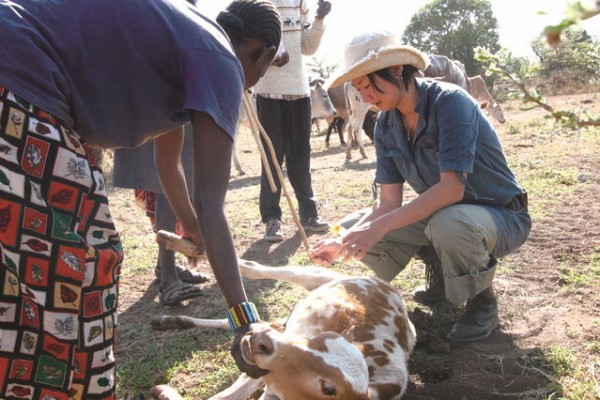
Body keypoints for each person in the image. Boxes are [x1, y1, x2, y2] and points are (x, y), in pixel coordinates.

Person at [0, 0, 281, 397]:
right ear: (263, 54)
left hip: (16, 65)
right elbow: (211, 202)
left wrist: (193, 229)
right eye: (264, 71)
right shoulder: (221, 59)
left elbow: (170, 167)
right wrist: (244, 320)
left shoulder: (184, 42)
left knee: (21, 267)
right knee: (80, 265)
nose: (251, 83)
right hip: (18, 80)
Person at [310, 31, 532, 342]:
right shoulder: (387, 124)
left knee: (447, 224)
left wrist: (376, 229)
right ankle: (441, 276)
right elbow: (386, 203)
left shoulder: (450, 102)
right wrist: (345, 239)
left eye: (369, 85)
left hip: (500, 216)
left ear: (397, 69)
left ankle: (484, 304)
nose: (366, 97)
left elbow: (451, 189)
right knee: (352, 226)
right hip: (449, 215)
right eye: (358, 89)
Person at [254, 0, 332, 242]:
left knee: (301, 156)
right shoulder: (258, 4)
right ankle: (272, 219)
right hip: (268, 91)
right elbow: (250, 41)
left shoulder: (300, 3)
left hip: (300, 91)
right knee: (272, 157)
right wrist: (271, 53)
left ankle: (309, 215)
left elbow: (307, 47)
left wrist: (319, 19)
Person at [112, 126, 210, 306]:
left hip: (170, 112)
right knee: (169, 181)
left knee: (179, 178)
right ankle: (168, 279)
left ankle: (165, 266)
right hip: (163, 111)